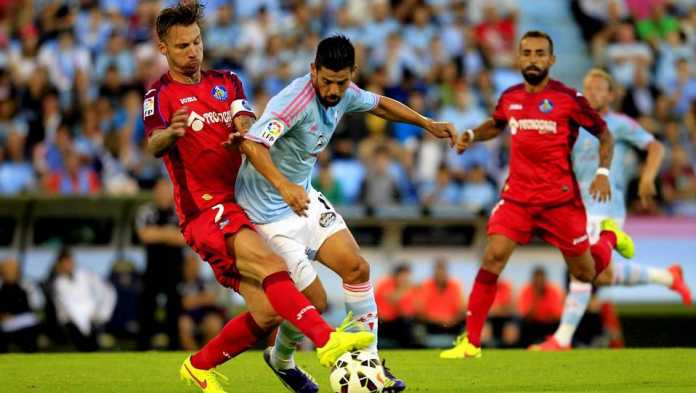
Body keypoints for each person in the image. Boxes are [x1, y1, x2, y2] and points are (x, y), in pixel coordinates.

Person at [144, 4, 373, 393]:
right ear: (163, 47)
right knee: (272, 266)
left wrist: (244, 135)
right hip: (206, 207)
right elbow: (153, 143)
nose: (193, 51)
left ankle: (198, 367)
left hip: (242, 202)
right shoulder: (160, 95)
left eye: (197, 41)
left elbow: (246, 120)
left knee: (267, 312)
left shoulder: (226, 80)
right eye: (183, 46)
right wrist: (173, 133)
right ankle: (328, 341)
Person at [234, 34, 456, 392]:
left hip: (303, 199)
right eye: (327, 81)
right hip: (268, 214)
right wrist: (283, 186)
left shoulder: (346, 91)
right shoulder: (294, 101)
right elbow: (252, 143)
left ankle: (371, 365)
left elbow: (379, 104)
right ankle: (281, 359)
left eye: (341, 82)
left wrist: (426, 123)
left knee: (357, 268)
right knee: (315, 302)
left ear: (352, 73)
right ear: (313, 71)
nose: (334, 91)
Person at [440, 30, 631, 360]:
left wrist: (602, 174)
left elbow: (605, 135)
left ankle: (611, 236)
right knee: (493, 256)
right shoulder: (510, 96)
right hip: (517, 198)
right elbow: (496, 124)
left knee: (586, 273)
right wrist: (471, 134)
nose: (532, 59)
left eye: (540, 53)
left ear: (551, 60)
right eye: (526, 53)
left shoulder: (569, 99)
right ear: (518, 58)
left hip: (560, 201)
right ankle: (471, 342)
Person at [530, 69, 692, 351]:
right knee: (601, 275)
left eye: (599, 88)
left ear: (611, 94)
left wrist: (646, 177)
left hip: (605, 205)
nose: (592, 92)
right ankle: (668, 277)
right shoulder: (574, 124)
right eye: (588, 87)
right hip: (578, 205)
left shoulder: (618, 124)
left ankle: (562, 339)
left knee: (580, 268)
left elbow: (655, 147)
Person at [135, 177, 185, 350]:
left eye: (166, 190)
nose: (163, 194)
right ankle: (143, 346)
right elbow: (144, 235)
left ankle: (174, 347)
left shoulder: (180, 210)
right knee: (147, 308)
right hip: (152, 269)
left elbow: (185, 238)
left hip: (174, 270)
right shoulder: (146, 212)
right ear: (155, 192)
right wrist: (170, 233)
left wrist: (158, 234)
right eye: (160, 190)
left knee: (174, 309)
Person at [50, 247, 116, 352]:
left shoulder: (86, 275)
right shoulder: (57, 282)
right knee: (80, 345)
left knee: (93, 345)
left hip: (93, 317)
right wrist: (66, 318)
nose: (68, 265)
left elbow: (106, 291)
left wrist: (101, 313)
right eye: (64, 263)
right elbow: (61, 305)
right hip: (72, 321)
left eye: (69, 262)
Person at [517, 267, 564, 347]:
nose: (539, 282)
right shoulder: (527, 290)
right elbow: (525, 314)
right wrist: (536, 297)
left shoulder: (553, 291)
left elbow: (556, 315)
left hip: (549, 325)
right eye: (537, 279)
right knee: (521, 323)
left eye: (541, 279)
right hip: (533, 324)